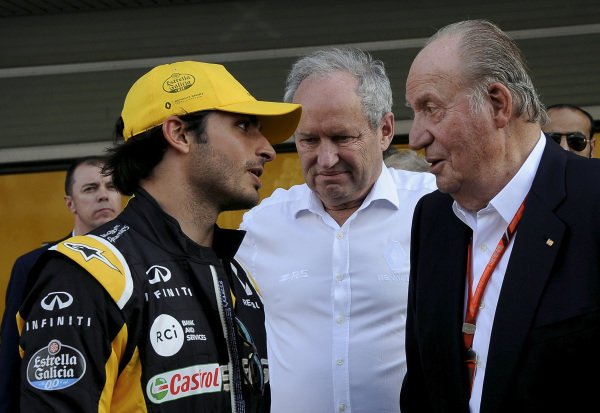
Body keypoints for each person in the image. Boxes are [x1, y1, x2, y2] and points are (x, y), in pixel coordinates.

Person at [17, 61, 301, 412]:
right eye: (244, 126)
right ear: (179, 134)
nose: (268, 149)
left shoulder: (238, 278)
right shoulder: (91, 275)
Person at [401, 20, 600, 413]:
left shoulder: (592, 201)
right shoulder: (433, 217)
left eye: (431, 109)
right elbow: (423, 382)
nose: (417, 136)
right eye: (415, 113)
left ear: (497, 104)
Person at [235, 48, 436, 413]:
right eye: (308, 140)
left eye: (343, 138)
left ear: (385, 130)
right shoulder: (262, 225)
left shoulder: (434, 208)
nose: (325, 160)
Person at [0, 155, 122, 413]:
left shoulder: (142, 261)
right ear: (70, 203)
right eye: (90, 189)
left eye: (111, 187)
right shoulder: (34, 266)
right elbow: (11, 358)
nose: (103, 195)